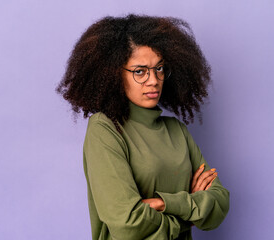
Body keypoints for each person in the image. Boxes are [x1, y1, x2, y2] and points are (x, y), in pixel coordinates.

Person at [56, 14, 229, 240]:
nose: (153, 80)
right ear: (114, 74)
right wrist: (189, 211)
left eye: (159, 69)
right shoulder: (105, 128)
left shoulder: (176, 130)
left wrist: (164, 204)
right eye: (140, 71)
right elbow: (127, 224)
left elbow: (220, 204)